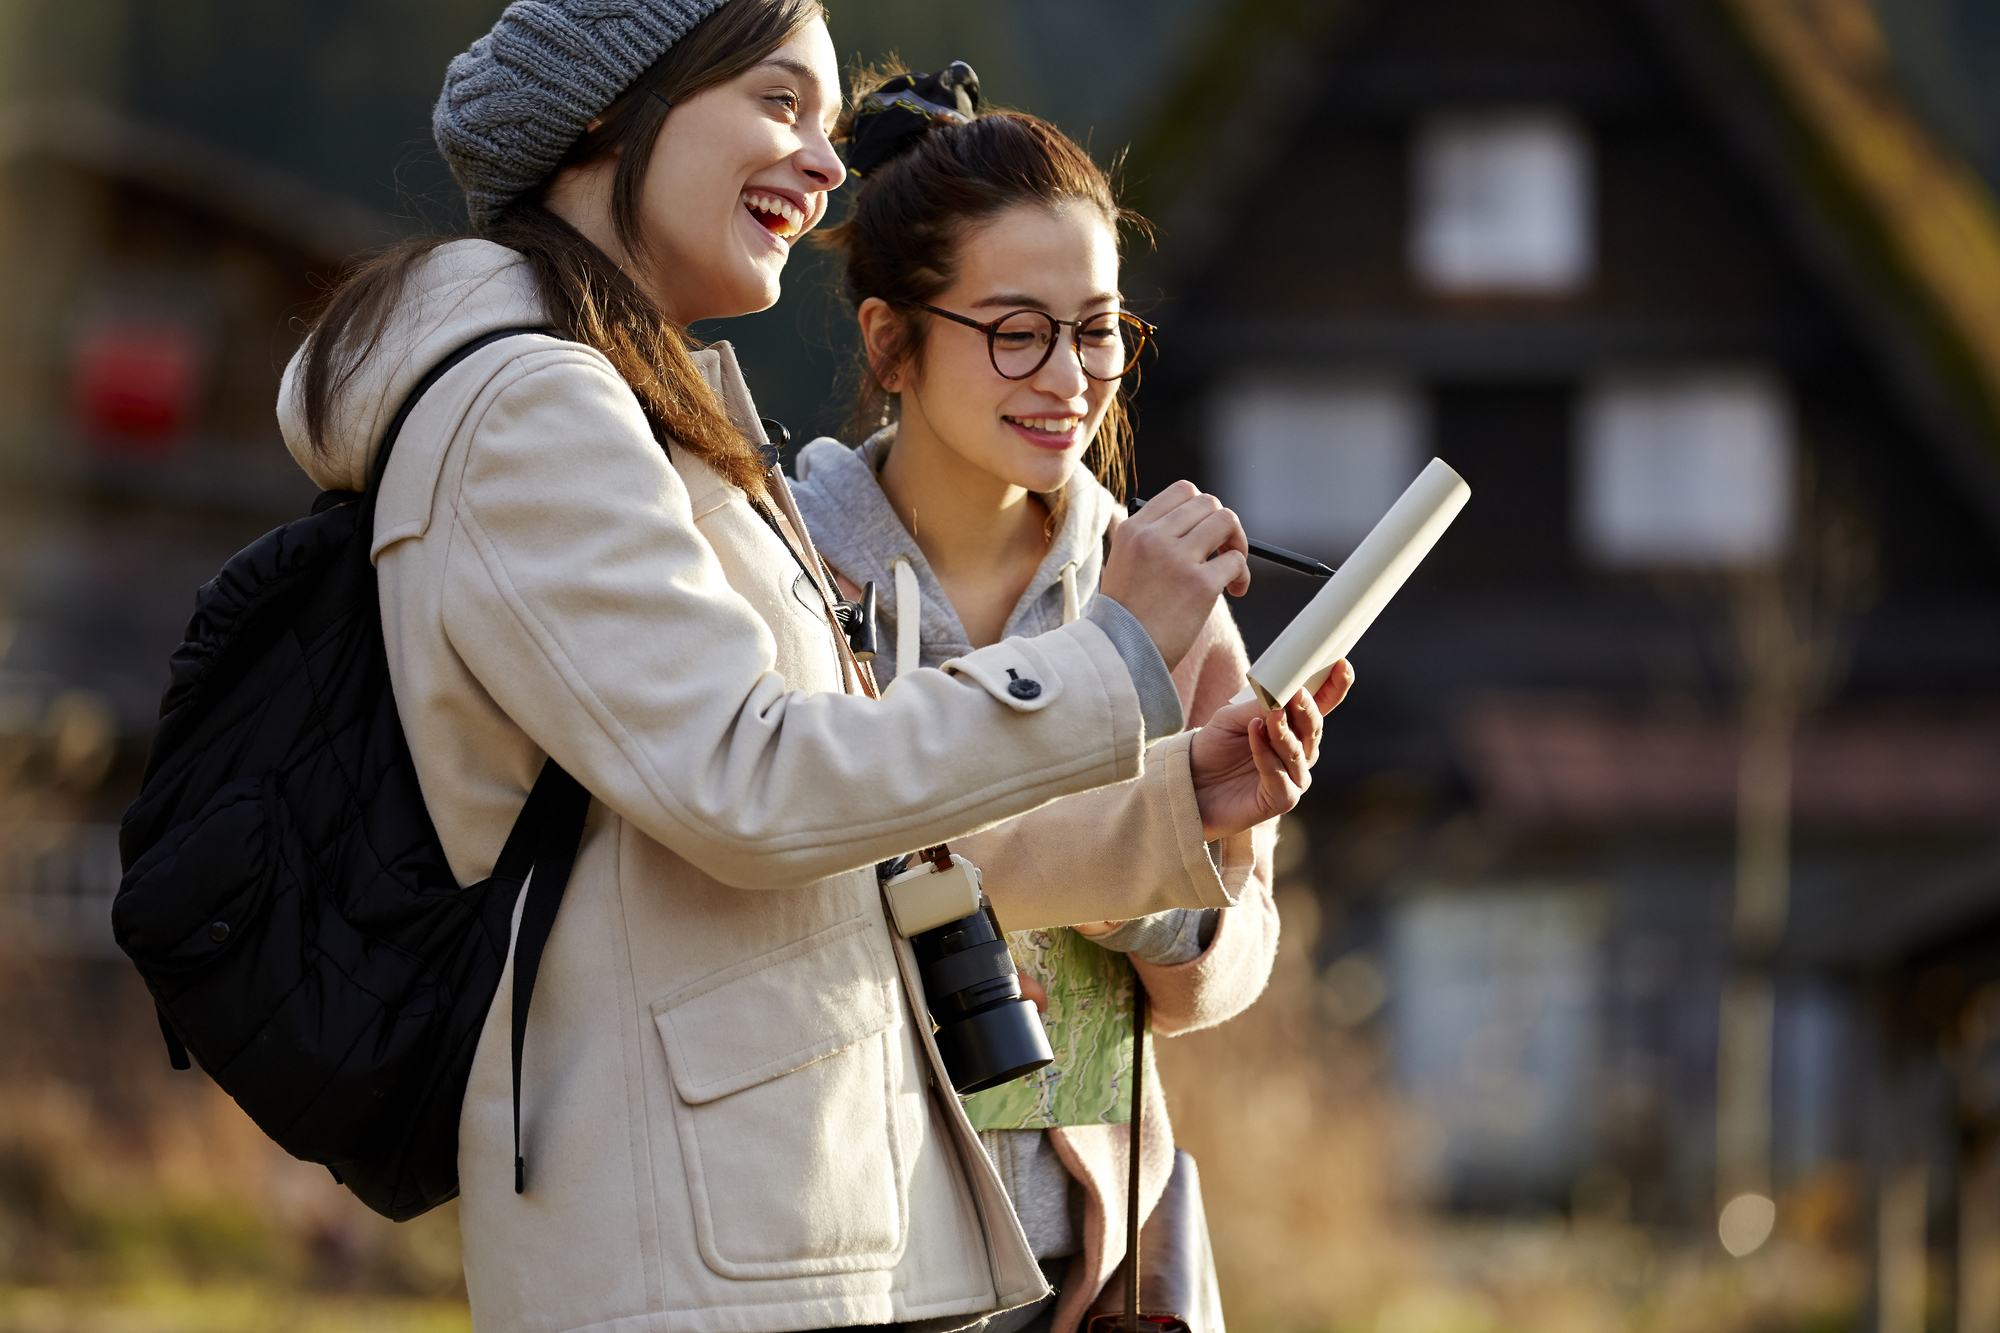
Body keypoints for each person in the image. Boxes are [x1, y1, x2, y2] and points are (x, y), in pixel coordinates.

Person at [281, 3, 1345, 1331]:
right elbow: (760, 783)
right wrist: (1116, 660)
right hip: (706, 1240)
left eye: (1100, 330)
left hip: (825, 1227)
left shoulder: (607, 397)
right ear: (617, 111)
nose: (829, 162)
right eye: (781, 104)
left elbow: (819, 814)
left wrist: (1175, 808)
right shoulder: (535, 408)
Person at [792, 67, 1347, 1333]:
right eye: (1013, 329)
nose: (1068, 378)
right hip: (838, 1236)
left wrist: (1167, 907)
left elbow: (1236, 945)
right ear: (891, 341)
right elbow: (806, 863)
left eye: (1095, 327)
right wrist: (1127, 819)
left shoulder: (1158, 583)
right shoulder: (787, 571)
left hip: (1083, 1261)